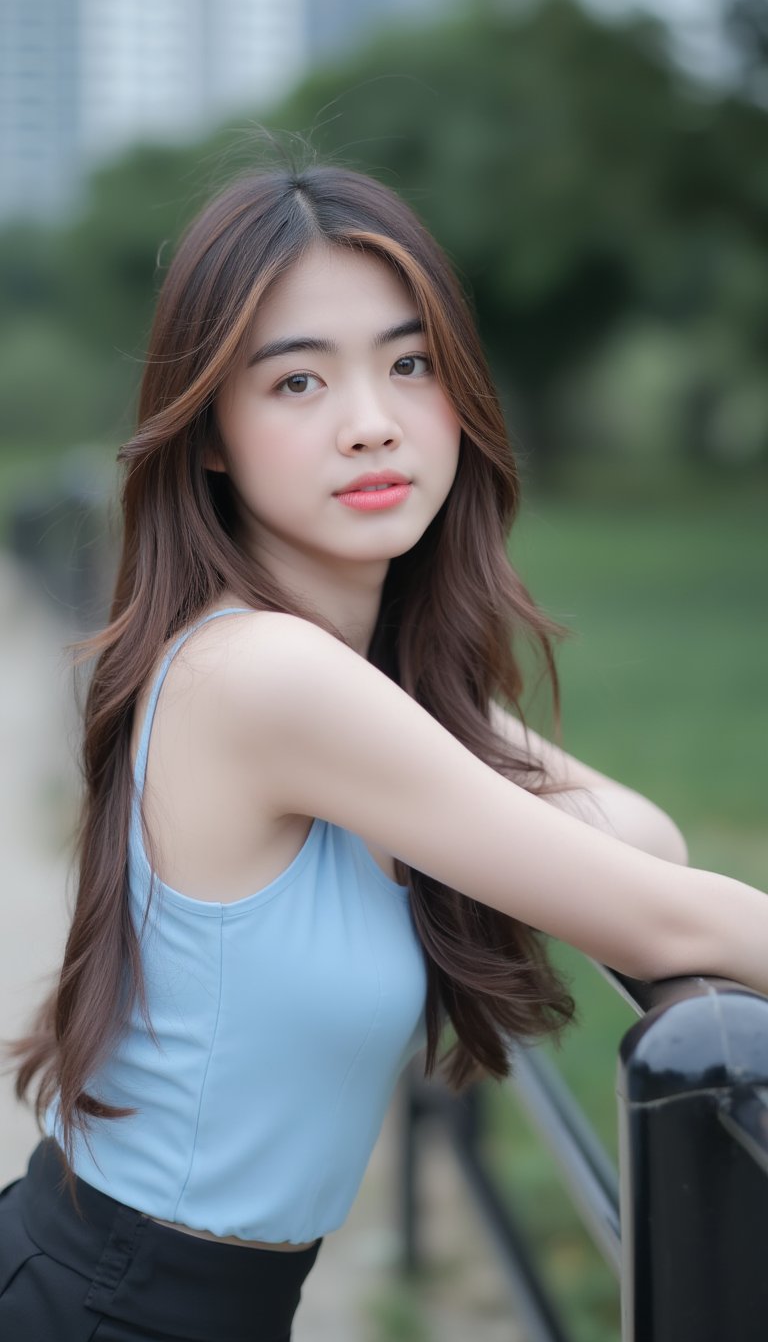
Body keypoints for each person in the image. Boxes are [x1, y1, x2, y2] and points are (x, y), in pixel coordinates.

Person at [1, 162, 767, 1342]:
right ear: (208, 436)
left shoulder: (348, 672)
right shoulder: (263, 677)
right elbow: (668, 920)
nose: (372, 419)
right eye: (299, 379)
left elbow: (640, 848)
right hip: (111, 1305)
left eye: (409, 363)